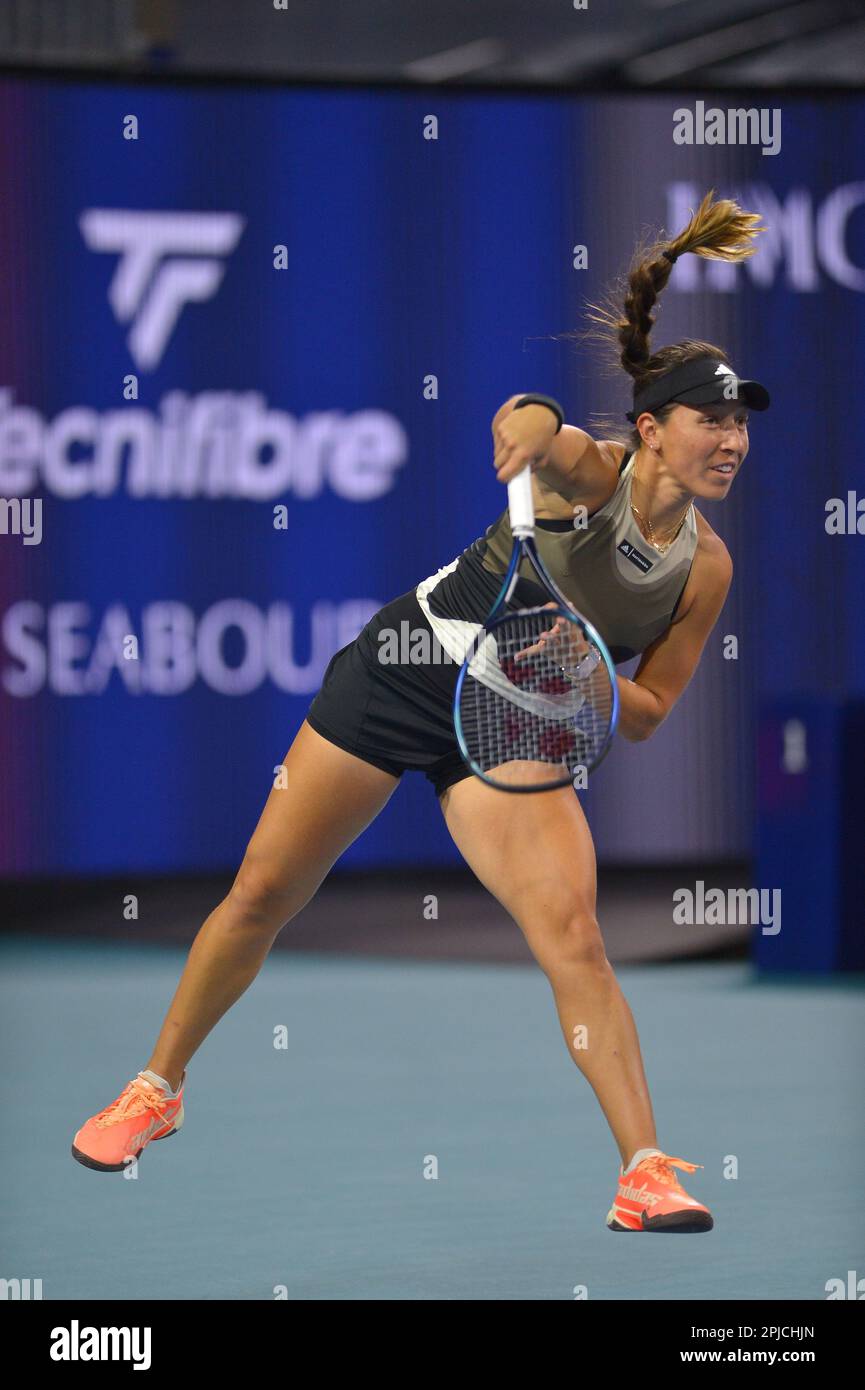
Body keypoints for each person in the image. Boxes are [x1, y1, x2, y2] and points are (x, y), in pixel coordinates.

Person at [72, 191, 769, 1235]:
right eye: (709, 417)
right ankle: (156, 1086)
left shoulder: (704, 568)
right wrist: (525, 423)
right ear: (651, 431)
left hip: (521, 725)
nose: (729, 437)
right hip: (409, 669)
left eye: (739, 420)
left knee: (574, 937)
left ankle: (642, 1169)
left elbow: (650, 710)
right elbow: (538, 424)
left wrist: (587, 673)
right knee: (264, 889)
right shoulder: (590, 473)